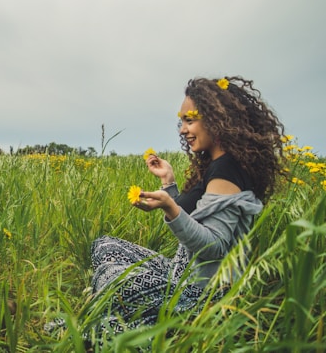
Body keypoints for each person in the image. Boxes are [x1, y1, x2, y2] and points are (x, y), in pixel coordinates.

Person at [48, 76, 285, 338]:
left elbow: (214, 246)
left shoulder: (226, 171)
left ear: (218, 119)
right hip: (181, 272)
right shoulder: (216, 164)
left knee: (115, 277)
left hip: (202, 295)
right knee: (105, 245)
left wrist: (170, 208)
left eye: (190, 120)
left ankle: (99, 330)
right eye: (181, 121)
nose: (183, 130)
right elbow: (197, 215)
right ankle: (119, 317)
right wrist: (168, 183)